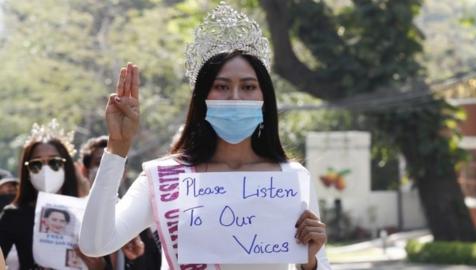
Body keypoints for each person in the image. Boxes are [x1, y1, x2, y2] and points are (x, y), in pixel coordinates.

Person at [80, 2, 330, 270]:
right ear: (202, 100)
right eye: (221, 86)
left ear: (264, 98)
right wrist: (117, 148)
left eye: (248, 86)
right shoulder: (164, 177)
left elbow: (317, 264)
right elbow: (96, 243)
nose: (235, 98)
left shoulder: (290, 178)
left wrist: (311, 262)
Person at [0, 119, 109, 269]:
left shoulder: (84, 211)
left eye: (54, 163)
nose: (46, 170)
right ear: (27, 171)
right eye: (36, 164)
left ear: (66, 166)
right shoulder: (14, 215)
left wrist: (99, 266)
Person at [79, 136, 161, 270]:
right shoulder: (70, 213)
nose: (107, 170)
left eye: (115, 164)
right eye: (100, 163)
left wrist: (137, 258)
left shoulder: (137, 215)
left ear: (124, 172)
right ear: (84, 171)